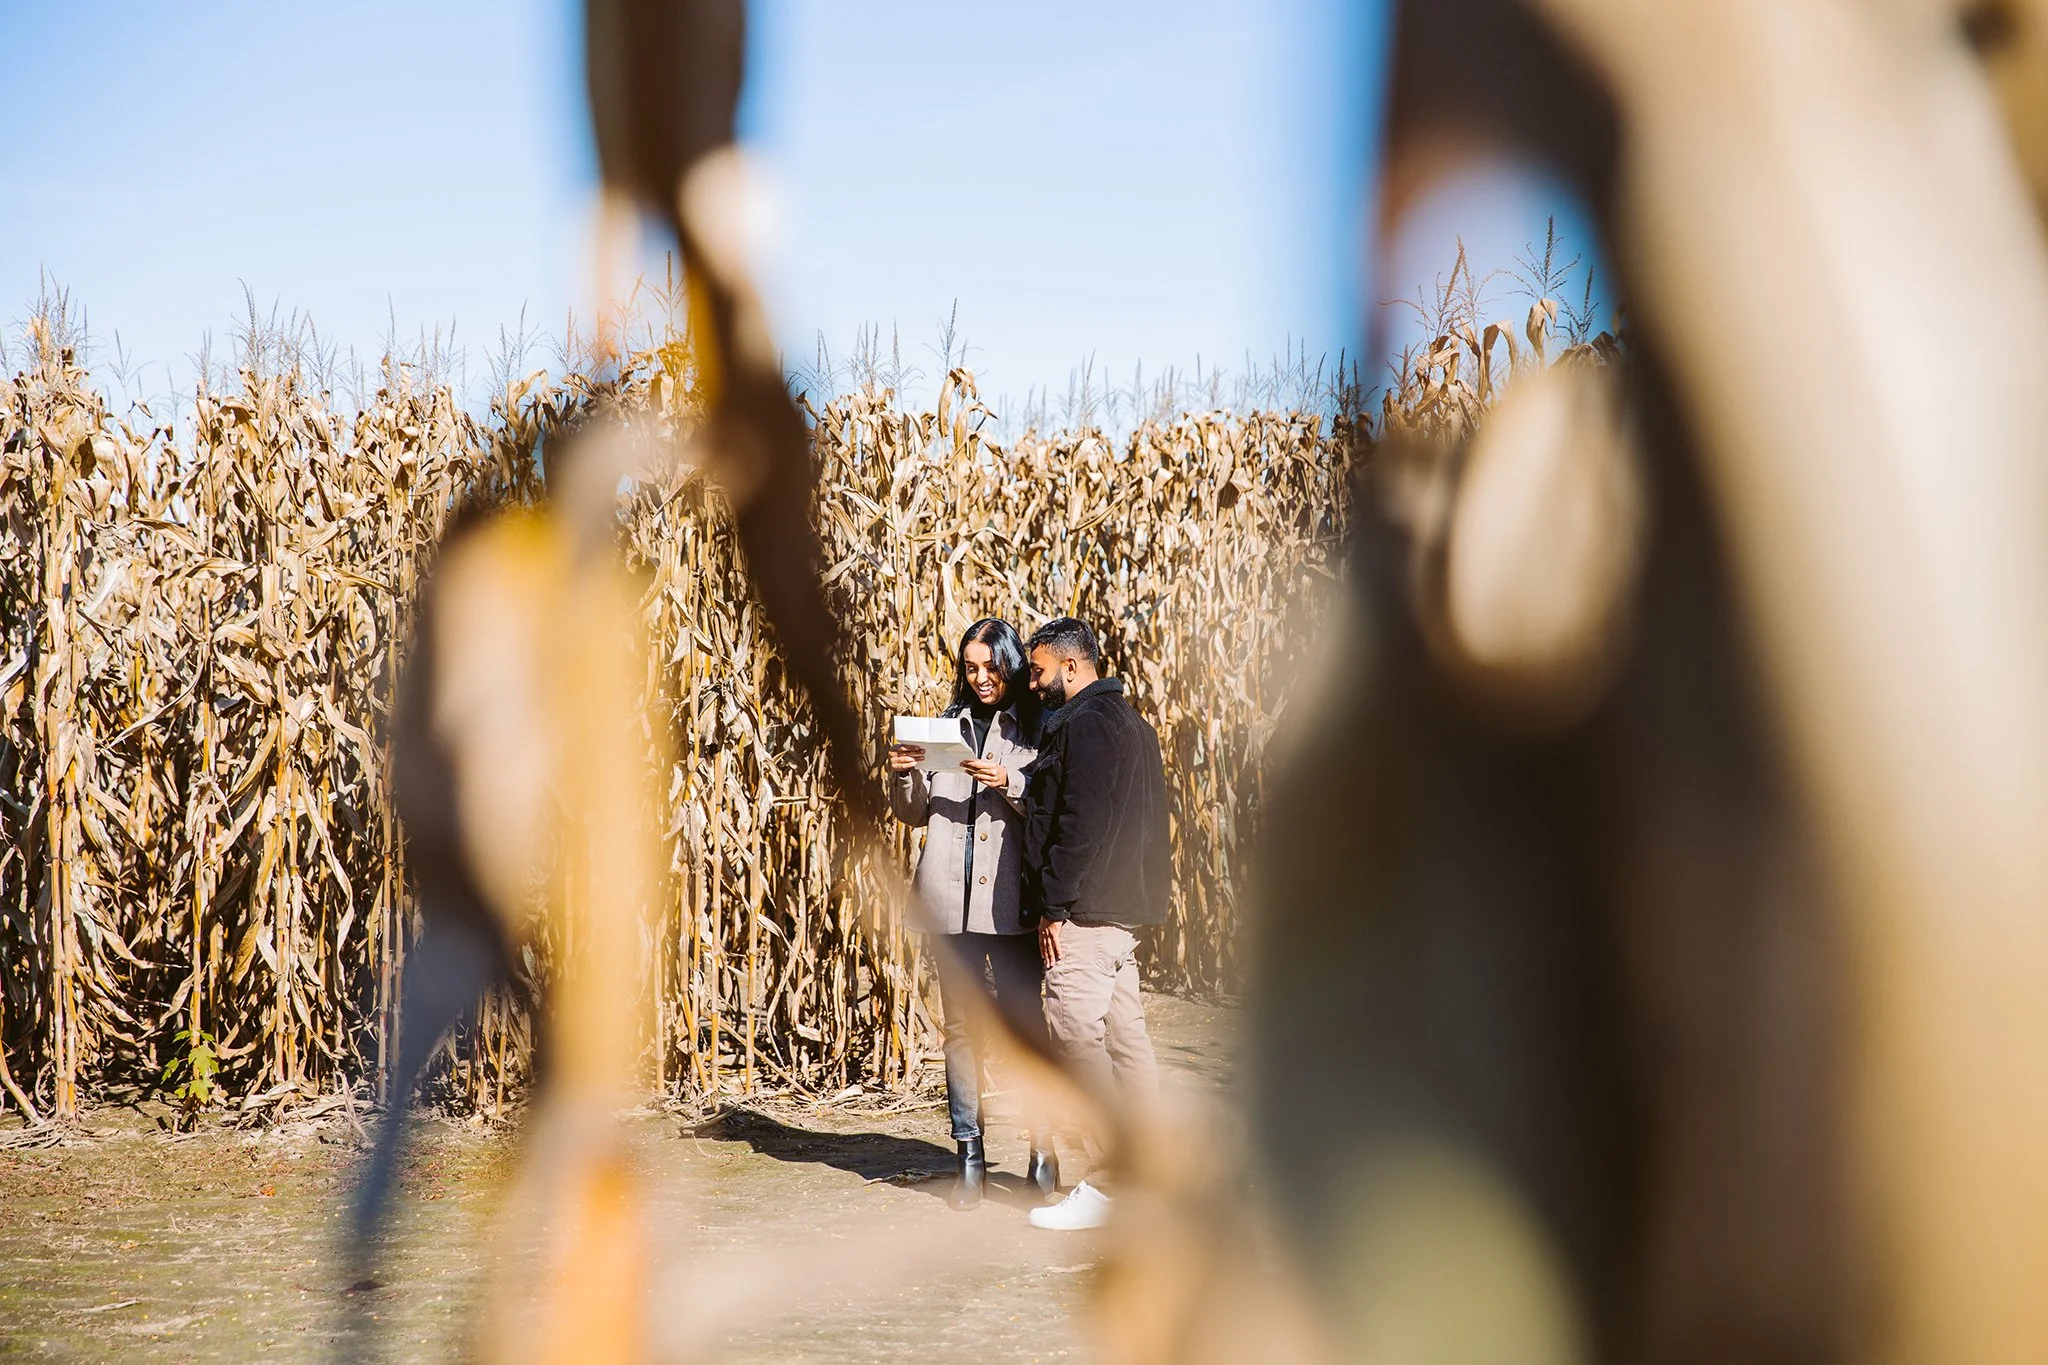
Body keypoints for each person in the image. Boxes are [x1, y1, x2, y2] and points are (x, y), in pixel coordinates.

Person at [888, 617, 1060, 1210]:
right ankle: (969, 1154)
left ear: (1012, 665)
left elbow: (1051, 806)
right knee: (961, 1031)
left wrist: (1008, 779)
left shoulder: (1037, 730)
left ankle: (1043, 1146)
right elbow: (915, 814)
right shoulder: (946, 728)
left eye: (992, 666)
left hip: (1009, 903)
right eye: (970, 667)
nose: (981, 678)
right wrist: (905, 775)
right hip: (946, 901)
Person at [1018, 616, 1170, 1232]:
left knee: (1075, 1036)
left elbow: (1081, 823)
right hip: (1118, 916)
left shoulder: (1087, 726)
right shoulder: (1131, 723)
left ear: (1072, 668)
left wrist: (1054, 905)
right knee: (1127, 1042)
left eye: (1038, 670)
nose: (1031, 683)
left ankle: (1109, 1181)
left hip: (1085, 914)